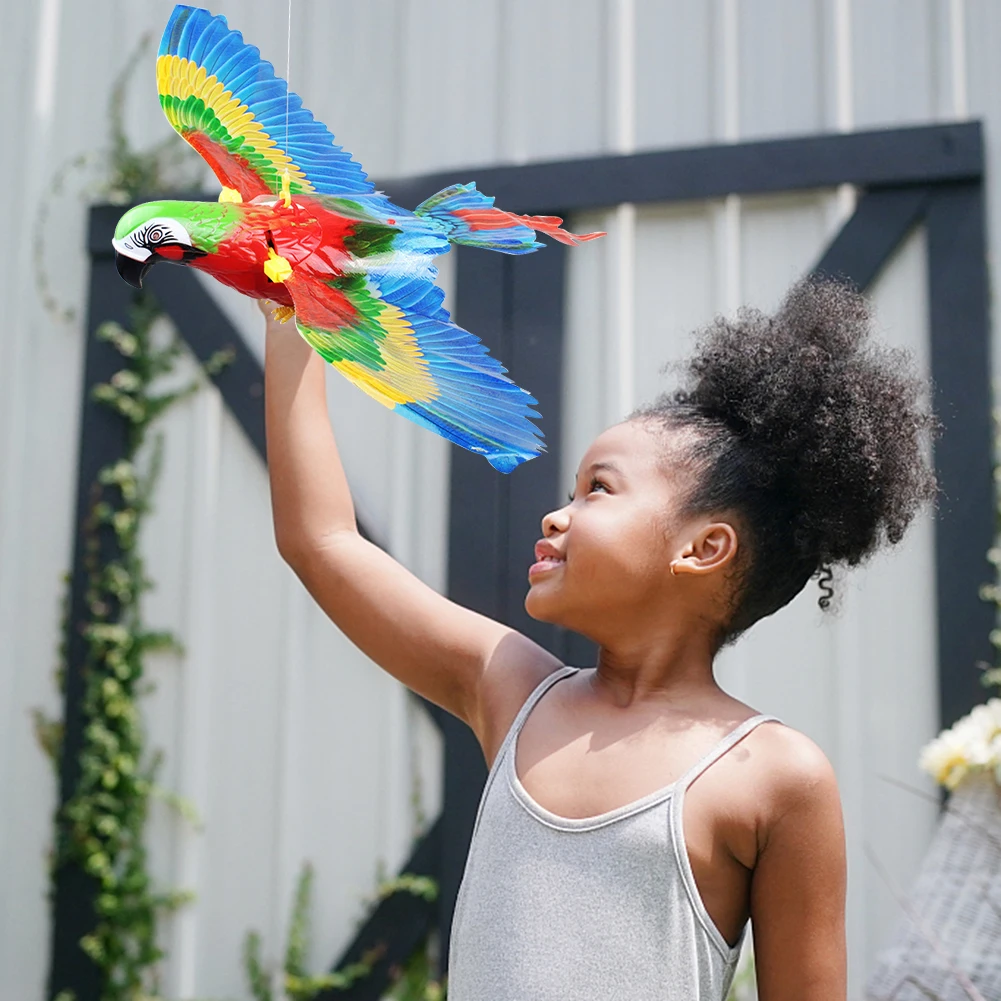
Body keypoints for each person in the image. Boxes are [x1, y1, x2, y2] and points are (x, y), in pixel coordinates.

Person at [261, 275, 941, 1001]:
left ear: (703, 548)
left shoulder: (776, 776)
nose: (556, 516)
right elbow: (324, 541)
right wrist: (289, 319)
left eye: (597, 490)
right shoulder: (510, 688)